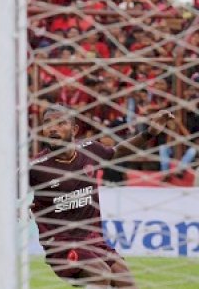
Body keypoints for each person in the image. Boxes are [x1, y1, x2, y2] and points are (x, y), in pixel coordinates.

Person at [29, 105, 173, 287]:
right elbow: (9, 188)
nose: (53, 128)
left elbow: (118, 152)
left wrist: (149, 133)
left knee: (125, 281)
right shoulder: (36, 167)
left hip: (93, 240)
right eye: (47, 123)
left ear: (74, 130)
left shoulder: (90, 150)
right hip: (61, 244)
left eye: (60, 123)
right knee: (101, 274)